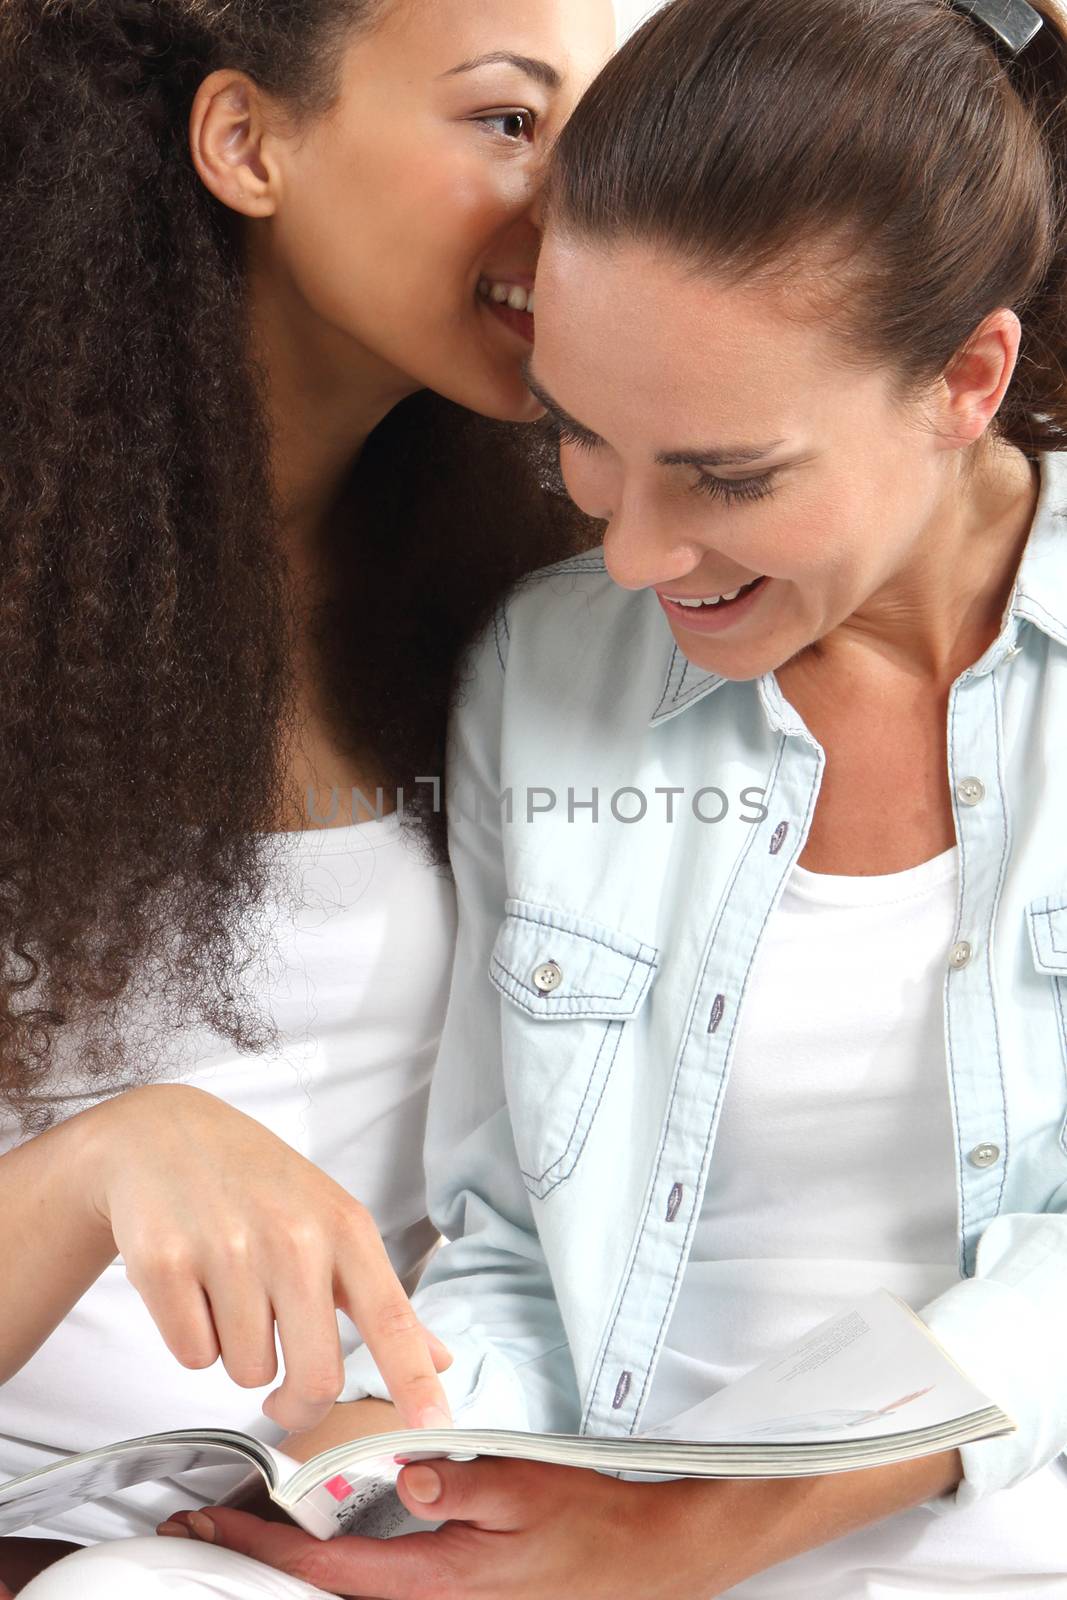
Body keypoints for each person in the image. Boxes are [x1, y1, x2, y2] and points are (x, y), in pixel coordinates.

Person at [63, 0, 1067, 1593]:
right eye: (586, 443)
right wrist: (414, 1442)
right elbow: (510, 1231)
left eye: (728, 476)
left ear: (966, 377)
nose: (631, 555)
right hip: (597, 1512)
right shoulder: (551, 662)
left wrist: (696, 1535)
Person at [0, 0, 613, 1588]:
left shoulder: (552, 581)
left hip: (411, 1520)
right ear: (245, 141)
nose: (579, 192)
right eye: (506, 121)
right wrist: (94, 1168)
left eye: (593, 128)